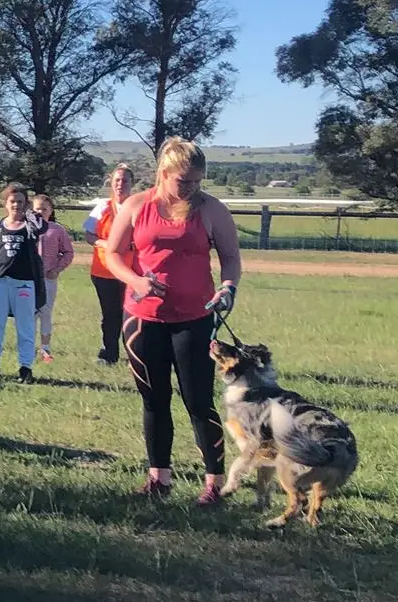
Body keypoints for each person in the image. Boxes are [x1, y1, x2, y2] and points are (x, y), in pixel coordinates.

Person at [101, 138, 242, 504]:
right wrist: (135, 281)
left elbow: (230, 257)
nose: (191, 188)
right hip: (142, 320)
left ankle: (214, 483)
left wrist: (228, 287)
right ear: (163, 173)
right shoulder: (135, 206)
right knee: (154, 400)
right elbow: (113, 253)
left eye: (197, 181)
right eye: (184, 181)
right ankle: (158, 478)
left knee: (198, 401)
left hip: (194, 318)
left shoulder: (212, 210)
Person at [0, 183, 47, 386]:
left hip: (25, 284)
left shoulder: (30, 226)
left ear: (25, 204)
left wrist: (30, 213)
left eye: (20, 201)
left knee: (25, 327)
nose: (16, 205)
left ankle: (25, 367)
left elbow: (41, 227)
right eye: (12, 201)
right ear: (5, 203)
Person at [83, 164, 137, 366]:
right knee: (110, 315)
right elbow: (89, 235)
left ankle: (135, 355)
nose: (120, 184)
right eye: (117, 180)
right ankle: (109, 353)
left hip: (132, 272)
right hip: (104, 271)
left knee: (132, 315)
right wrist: (107, 244)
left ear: (132, 184)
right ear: (111, 183)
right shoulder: (103, 207)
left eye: (125, 180)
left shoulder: (138, 206)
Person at [32, 194, 76, 363]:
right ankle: (28, 345)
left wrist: (57, 269)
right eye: (37, 209)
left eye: (44, 209)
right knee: (29, 314)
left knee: (45, 312)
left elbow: (68, 252)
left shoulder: (57, 230)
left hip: (48, 279)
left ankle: (45, 347)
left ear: (50, 211)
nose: (41, 212)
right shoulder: (27, 229)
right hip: (29, 279)